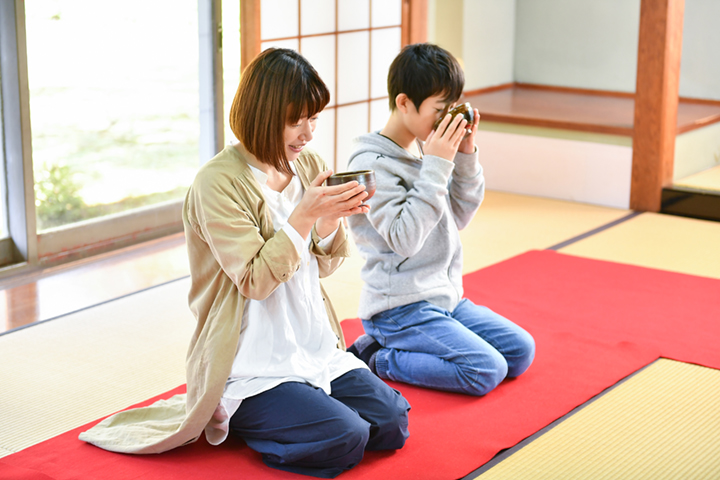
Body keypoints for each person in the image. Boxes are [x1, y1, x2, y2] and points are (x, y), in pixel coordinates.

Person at [80, 48, 410, 479]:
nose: (308, 133)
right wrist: (303, 217)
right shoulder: (217, 182)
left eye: (314, 118)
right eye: (297, 120)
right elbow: (255, 282)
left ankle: (303, 410)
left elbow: (323, 267)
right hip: (253, 361)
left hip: (311, 345)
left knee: (391, 425)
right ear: (263, 113)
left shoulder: (307, 164)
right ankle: (235, 416)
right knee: (345, 438)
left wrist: (328, 220)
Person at [345, 43, 535, 396]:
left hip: (444, 299)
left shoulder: (424, 149)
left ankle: (417, 342)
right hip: (398, 308)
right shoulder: (373, 164)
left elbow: (460, 216)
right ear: (404, 103)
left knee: (520, 352)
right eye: (439, 109)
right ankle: (375, 355)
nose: (447, 119)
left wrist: (464, 156)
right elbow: (405, 239)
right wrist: (436, 165)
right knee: (484, 370)